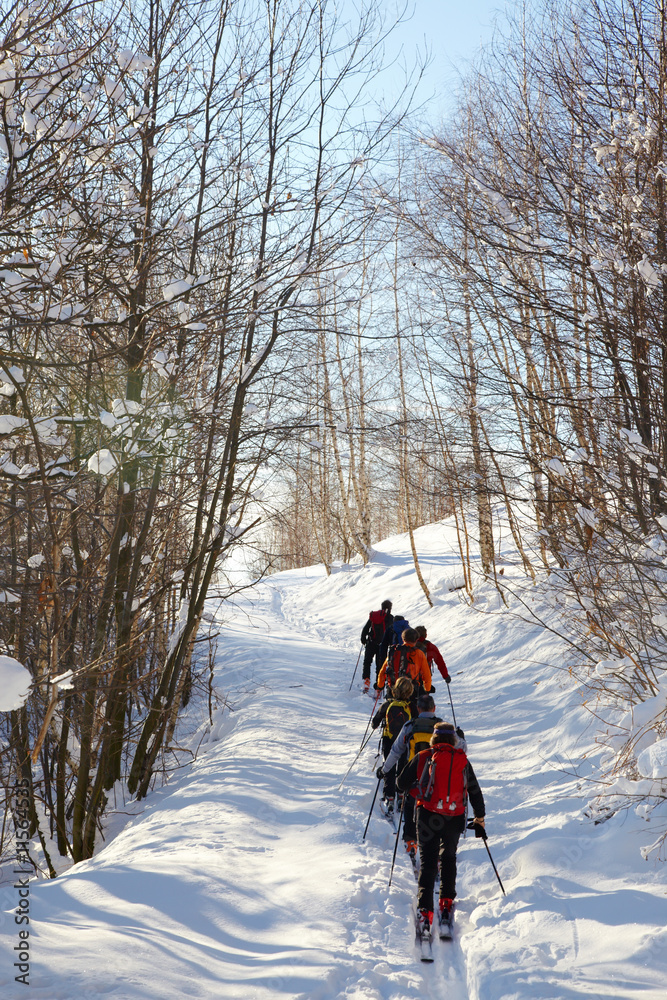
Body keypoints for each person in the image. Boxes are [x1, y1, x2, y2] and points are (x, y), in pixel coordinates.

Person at [397, 721, 485, 936]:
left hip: (428, 815)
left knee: (428, 863)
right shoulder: (463, 761)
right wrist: (480, 819)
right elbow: (475, 792)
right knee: (448, 858)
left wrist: (419, 792)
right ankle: (446, 903)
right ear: (454, 740)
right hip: (454, 817)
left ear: (434, 738)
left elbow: (401, 783)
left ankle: (425, 911)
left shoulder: (424, 756)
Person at [377, 693, 442, 859]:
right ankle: (435, 850)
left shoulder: (409, 726)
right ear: (434, 708)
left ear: (418, 709)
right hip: (436, 778)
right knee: (434, 811)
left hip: (413, 776)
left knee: (410, 808)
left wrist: (384, 770)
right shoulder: (442, 727)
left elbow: (395, 752)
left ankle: (410, 842)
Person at [371, 676, 414, 814]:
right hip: (405, 741)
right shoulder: (411, 707)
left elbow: (374, 723)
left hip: (389, 739)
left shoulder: (387, 705)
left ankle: (389, 796)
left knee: (388, 766)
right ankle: (401, 793)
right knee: (402, 765)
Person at [375, 628, 432, 697]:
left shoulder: (395, 651)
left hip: (393, 688)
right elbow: (426, 674)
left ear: (403, 639)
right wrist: (427, 689)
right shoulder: (419, 653)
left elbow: (383, 671)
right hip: (410, 690)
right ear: (416, 640)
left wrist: (380, 686)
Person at [360, 600, 393, 692]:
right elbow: (392, 632)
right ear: (390, 608)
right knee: (380, 666)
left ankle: (366, 680)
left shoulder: (374, 616)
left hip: (371, 642)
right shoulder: (390, 618)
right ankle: (378, 686)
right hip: (382, 645)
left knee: (367, 662)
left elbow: (366, 628)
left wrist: (363, 639)